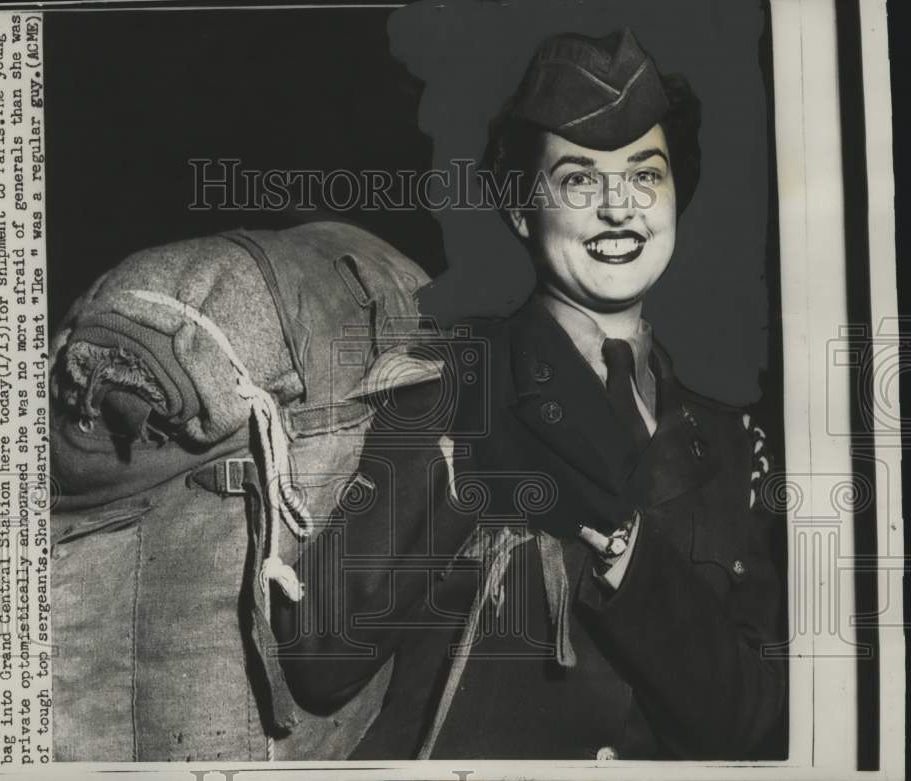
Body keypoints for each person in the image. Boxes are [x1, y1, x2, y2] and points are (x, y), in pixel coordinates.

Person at [272, 27, 786, 760]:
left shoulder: (734, 444)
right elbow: (320, 656)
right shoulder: (458, 386)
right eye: (579, 178)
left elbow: (747, 717)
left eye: (646, 174)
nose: (620, 208)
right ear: (519, 210)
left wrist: (621, 544)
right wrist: (465, 471)